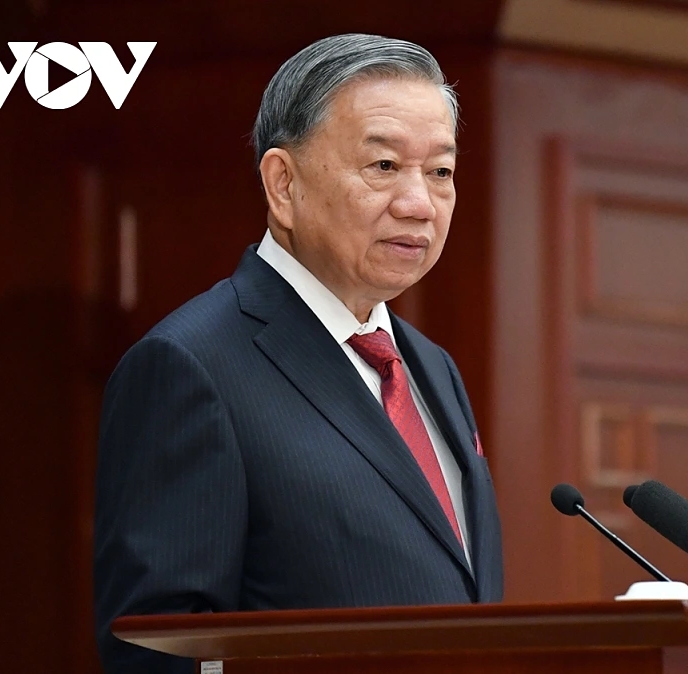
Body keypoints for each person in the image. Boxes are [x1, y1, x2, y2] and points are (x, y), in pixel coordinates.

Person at [92, 34, 504, 673]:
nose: (420, 204)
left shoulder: (431, 368)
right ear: (282, 183)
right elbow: (157, 651)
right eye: (384, 166)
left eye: (441, 171)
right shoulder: (191, 366)